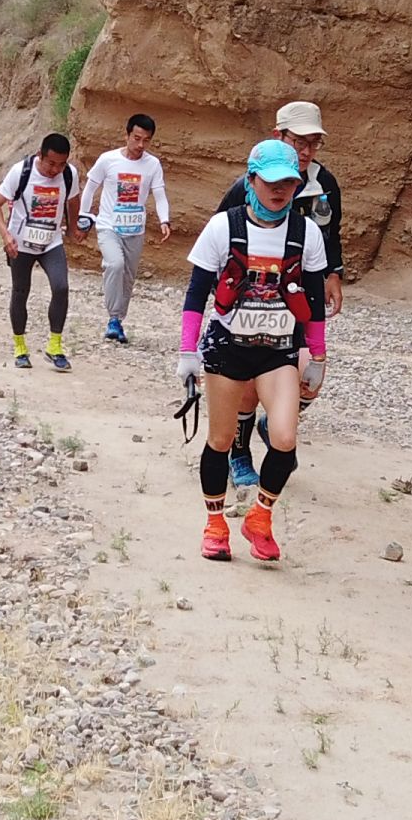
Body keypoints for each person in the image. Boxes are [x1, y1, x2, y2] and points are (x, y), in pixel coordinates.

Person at [181, 142, 331, 563]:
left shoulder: (306, 233)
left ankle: (260, 517)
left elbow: (315, 301)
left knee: (284, 438)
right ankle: (215, 524)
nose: (280, 190)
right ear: (251, 181)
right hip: (228, 348)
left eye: (288, 182)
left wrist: (317, 356)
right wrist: (187, 351)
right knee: (220, 439)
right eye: (271, 182)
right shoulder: (222, 228)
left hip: (278, 350)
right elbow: (195, 295)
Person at [217, 101, 347, 490]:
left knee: (311, 376)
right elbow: (221, 234)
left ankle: (274, 420)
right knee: (245, 382)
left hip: (301, 300)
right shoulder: (247, 185)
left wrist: (334, 275)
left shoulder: (325, 184)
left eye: (312, 143)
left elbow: (331, 233)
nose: (305, 152)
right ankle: (238, 454)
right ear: (279, 137)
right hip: (252, 299)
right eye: (298, 141)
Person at [0, 133, 80, 372]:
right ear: (40, 155)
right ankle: (20, 347)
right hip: (20, 243)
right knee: (21, 291)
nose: (56, 169)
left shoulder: (69, 174)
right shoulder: (21, 172)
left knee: (61, 287)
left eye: (61, 164)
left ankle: (55, 346)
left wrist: (73, 227)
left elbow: (73, 200)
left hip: (51, 242)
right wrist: (6, 235)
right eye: (51, 163)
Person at [80, 114, 171, 344]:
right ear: (127, 135)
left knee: (128, 277)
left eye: (146, 140)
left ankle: (119, 320)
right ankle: (112, 317)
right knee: (114, 264)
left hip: (135, 229)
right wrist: (84, 217)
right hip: (108, 226)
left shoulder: (152, 165)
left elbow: (159, 195)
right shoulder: (108, 160)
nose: (140, 145)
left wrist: (164, 220)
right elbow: (90, 188)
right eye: (137, 138)